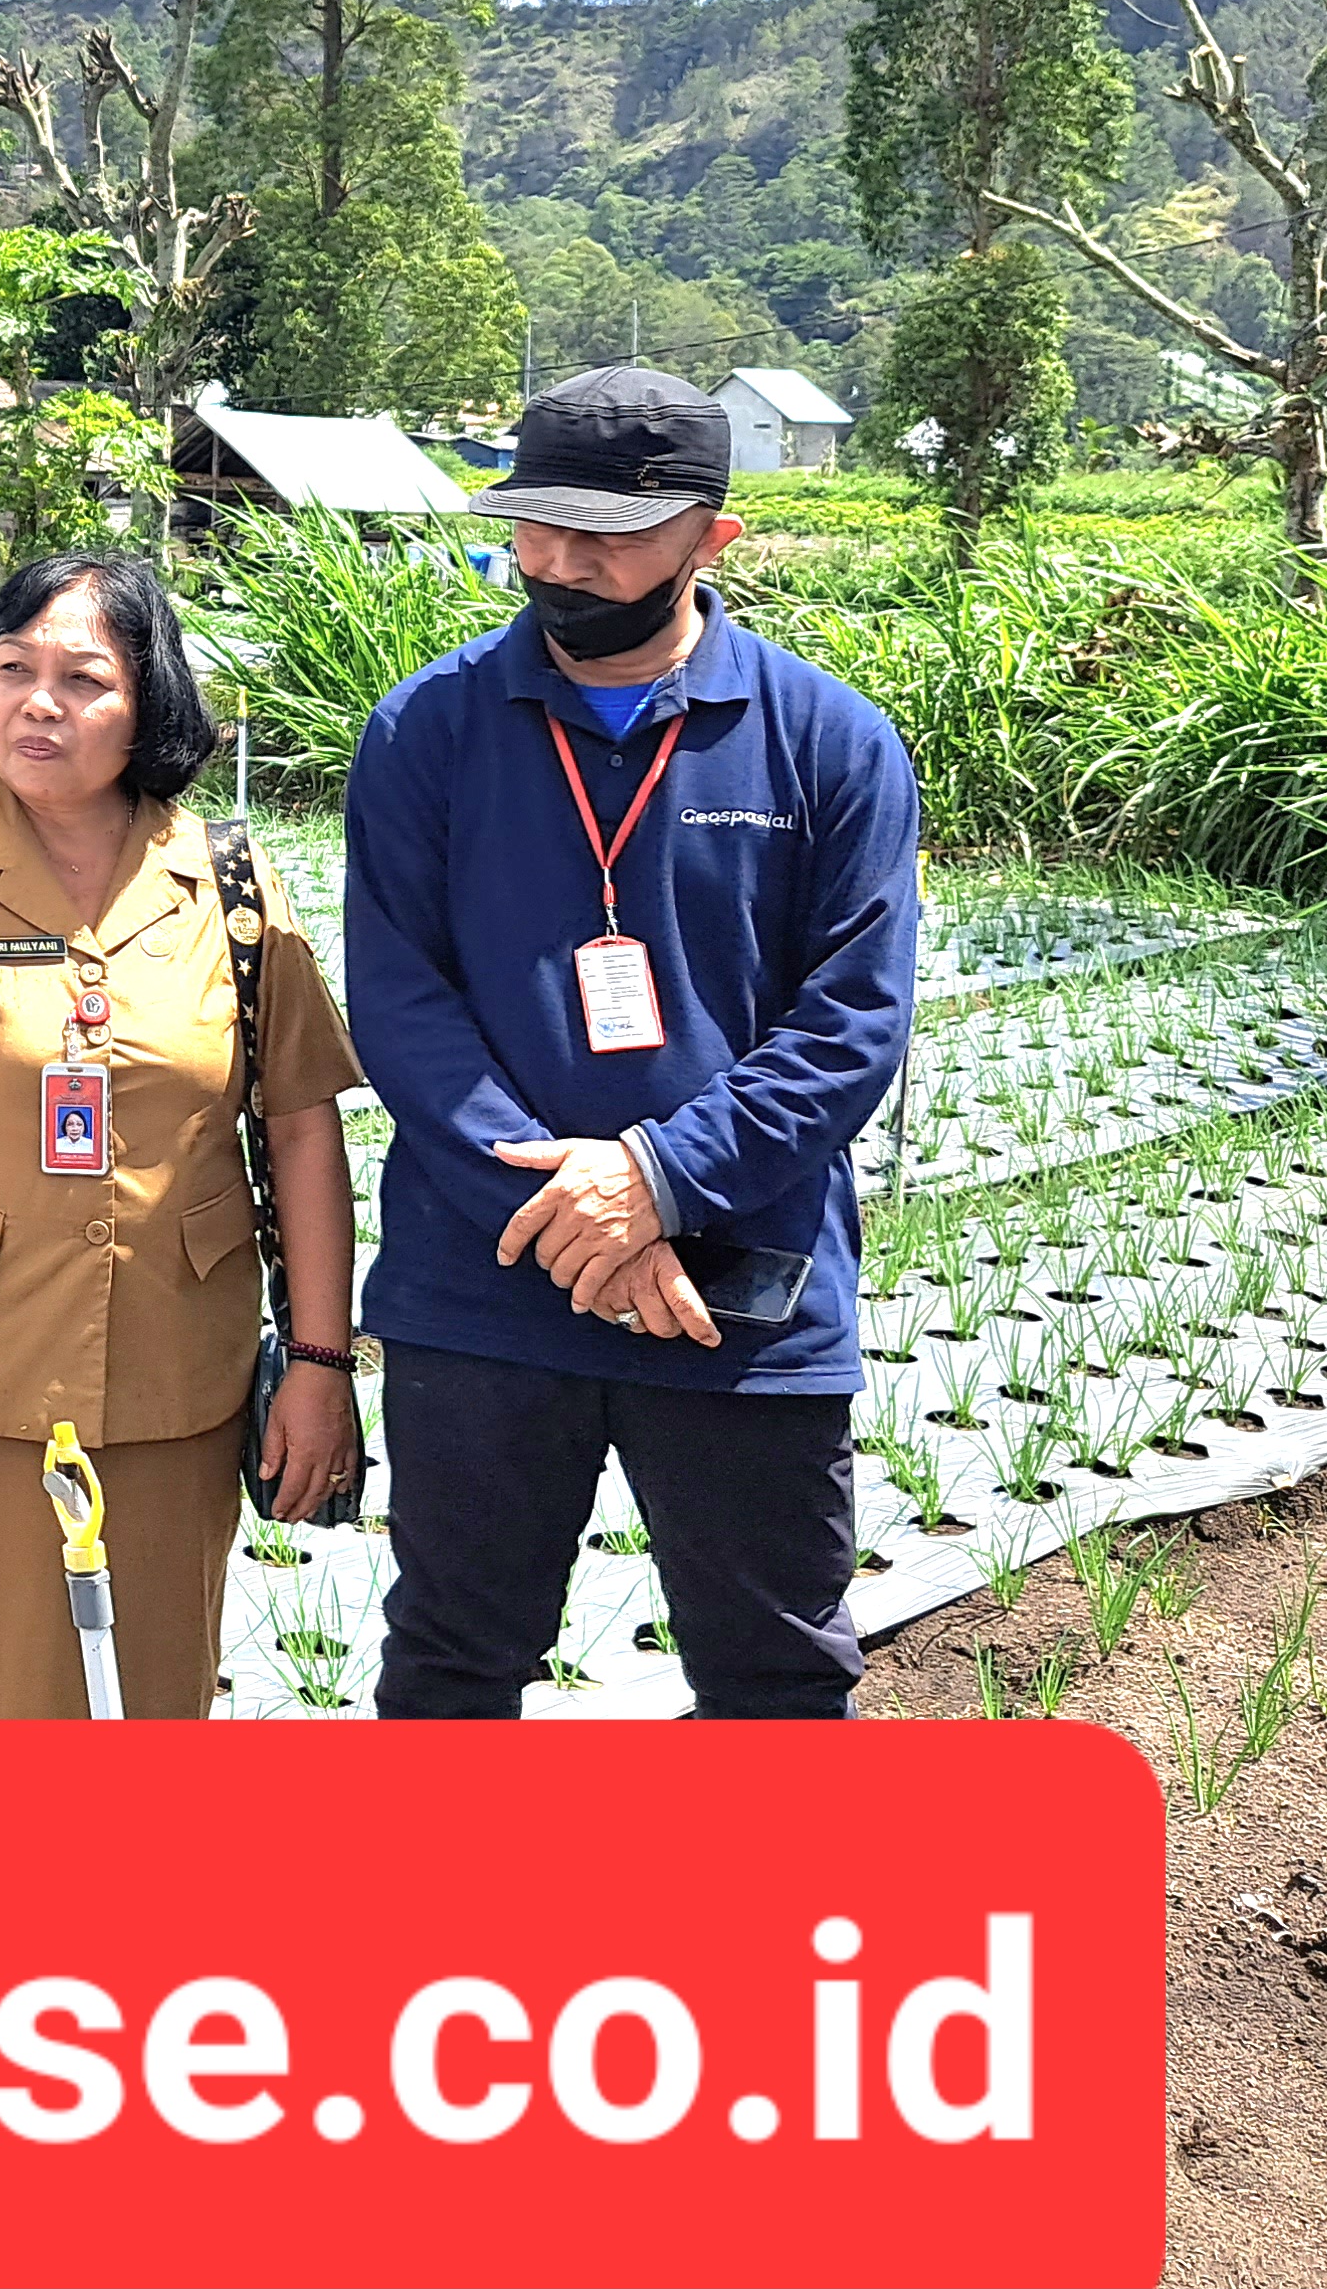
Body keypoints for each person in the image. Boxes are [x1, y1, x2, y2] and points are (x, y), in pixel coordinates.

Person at [343, 363, 920, 1719]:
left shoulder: (827, 743)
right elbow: (405, 1009)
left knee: (776, 1677)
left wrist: (659, 1181)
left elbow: (853, 1020)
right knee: (450, 1665)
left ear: (714, 539)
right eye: (538, 526)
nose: (557, 563)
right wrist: (575, 1210)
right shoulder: (426, 733)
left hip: (739, 1293)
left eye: (606, 537)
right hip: (485, 1288)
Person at [0, 552, 364, 1719]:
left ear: (148, 703)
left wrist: (318, 1365)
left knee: (149, 1701)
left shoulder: (231, 884)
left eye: (81, 678)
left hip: (175, 1381)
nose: (37, 702)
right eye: (12, 670)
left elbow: (301, 1131)